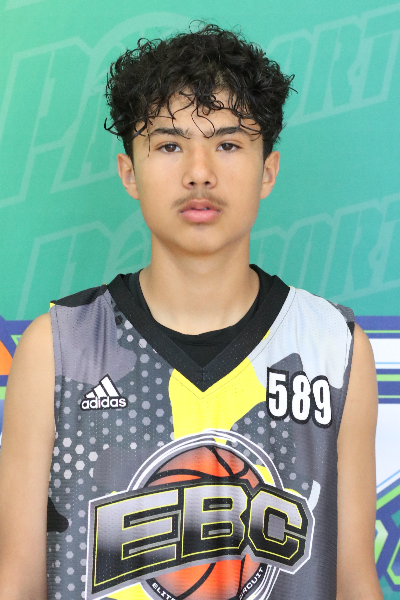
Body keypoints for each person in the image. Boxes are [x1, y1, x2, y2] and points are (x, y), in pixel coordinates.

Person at [0, 23, 383, 600]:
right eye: (170, 145)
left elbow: (354, 581)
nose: (199, 171)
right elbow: (16, 583)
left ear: (268, 170)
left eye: (228, 144)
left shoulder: (334, 347)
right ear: (129, 172)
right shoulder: (58, 349)